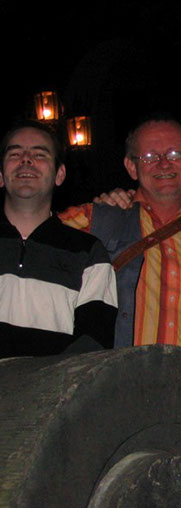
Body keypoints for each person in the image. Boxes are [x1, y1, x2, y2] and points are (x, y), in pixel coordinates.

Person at [59, 116, 181, 378]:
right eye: (149, 156)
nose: (163, 163)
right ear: (131, 167)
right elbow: (30, 234)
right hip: (122, 391)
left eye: (175, 154)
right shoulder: (98, 221)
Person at [0, 121, 117, 357]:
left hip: (54, 382)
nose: (26, 160)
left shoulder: (89, 254)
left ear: (59, 174)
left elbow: (92, 347)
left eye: (39, 154)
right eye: (15, 154)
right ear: (1, 175)